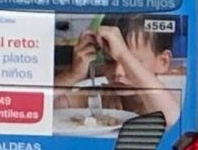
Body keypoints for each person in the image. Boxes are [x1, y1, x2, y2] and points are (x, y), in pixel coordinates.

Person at [53, 14, 181, 128]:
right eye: (110, 61)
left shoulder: (168, 100)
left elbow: (171, 120)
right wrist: (73, 75)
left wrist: (123, 54)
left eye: (131, 62)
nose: (118, 72)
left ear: (163, 62)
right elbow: (38, 107)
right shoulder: (101, 97)